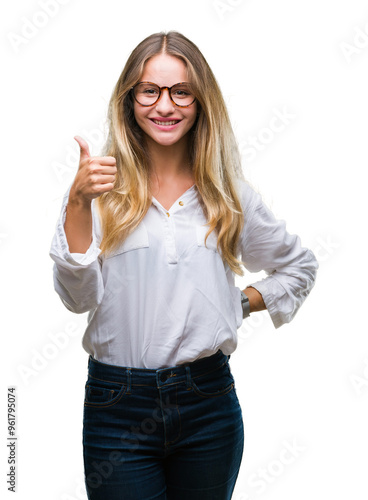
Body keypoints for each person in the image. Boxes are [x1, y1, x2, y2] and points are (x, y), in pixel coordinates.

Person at [49, 31, 318, 500]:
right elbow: (77, 300)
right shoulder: (99, 190)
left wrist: (239, 303)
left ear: (200, 100)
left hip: (207, 404)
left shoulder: (229, 194)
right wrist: (76, 203)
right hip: (117, 406)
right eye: (150, 90)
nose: (165, 106)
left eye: (181, 91)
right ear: (130, 99)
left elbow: (298, 266)